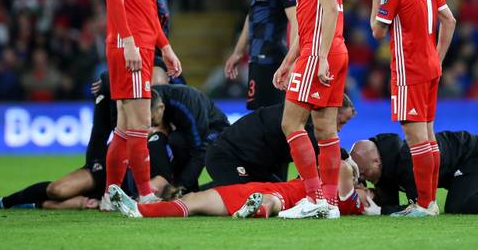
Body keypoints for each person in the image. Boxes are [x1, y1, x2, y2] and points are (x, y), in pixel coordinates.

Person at [366, 0, 456, 217]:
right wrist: (438, 58)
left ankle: (425, 204)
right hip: (430, 68)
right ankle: (429, 202)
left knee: (416, 138)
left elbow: (377, 32)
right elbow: (449, 20)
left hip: (410, 71)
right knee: (428, 136)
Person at [102, 0, 183, 209]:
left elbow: (149, 9)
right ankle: (145, 194)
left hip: (143, 46)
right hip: (129, 48)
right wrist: (129, 42)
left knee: (124, 128)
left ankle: (111, 195)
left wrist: (166, 47)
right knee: (139, 124)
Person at [0, 87, 167, 211]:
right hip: (104, 173)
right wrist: (96, 165)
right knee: (57, 190)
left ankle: (39, 205)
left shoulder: (166, 130)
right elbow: (100, 135)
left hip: (127, 188)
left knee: (73, 203)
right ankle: (3, 202)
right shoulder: (124, 106)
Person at [272, 0, 348, 219]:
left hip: (322, 53)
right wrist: (289, 61)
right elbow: (308, 22)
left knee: (290, 122)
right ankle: (328, 204)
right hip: (326, 50)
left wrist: (317, 57)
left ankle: (314, 197)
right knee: (325, 129)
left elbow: (329, 11)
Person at [350, 131, 478, 215]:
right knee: (464, 193)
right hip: (454, 163)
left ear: (377, 161)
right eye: (361, 176)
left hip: (473, 154)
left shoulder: (407, 161)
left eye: (364, 172)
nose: (365, 178)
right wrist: (361, 198)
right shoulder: (382, 169)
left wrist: (381, 210)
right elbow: (389, 203)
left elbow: (418, 209)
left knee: (457, 204)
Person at [109, 159, 373, 219]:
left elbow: (344, 167)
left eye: (368, 190)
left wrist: (352, 165)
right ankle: (140, 210)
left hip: (286, 197)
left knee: (271, 201)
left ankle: (256, 210)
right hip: (264, 187)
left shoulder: (350, 200)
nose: (365, 190)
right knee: (194, 198)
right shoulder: (346, 196)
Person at [205, 94, 355, 187]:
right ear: (331, 112)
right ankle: (189, 199)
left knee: (279, 195)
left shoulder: (305, 120)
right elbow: (319, 146)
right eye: (340, 122)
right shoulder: (298, 120)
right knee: (245, 197)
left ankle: (195, 193)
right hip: (227, 157)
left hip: (255, 165)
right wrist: (347, 157)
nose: (339, 129)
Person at [148, 83, 231, 197]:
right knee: (173, 140)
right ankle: (180, 187)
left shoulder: (185, 103)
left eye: (152, 120)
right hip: (189, 129)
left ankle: (185, 190)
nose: (150, 125)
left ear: (161, 107)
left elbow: (198, 150)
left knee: (181, 143)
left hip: (216, 129)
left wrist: (180, 184)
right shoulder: (154, 96)